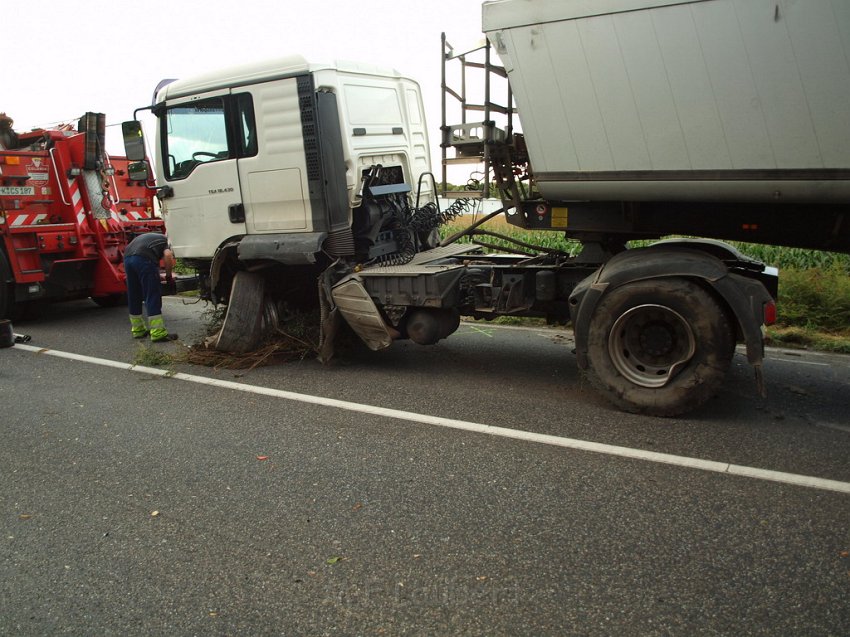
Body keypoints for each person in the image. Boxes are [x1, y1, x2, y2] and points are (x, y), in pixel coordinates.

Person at [123, 233, 178, 342]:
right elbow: (167, 256)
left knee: (134, 295)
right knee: (152, 294)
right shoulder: (167, 241)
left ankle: (138, 330)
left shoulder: (151, 237)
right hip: (144, 259)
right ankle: (158, 333)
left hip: (128, 259)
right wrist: (168, 276)